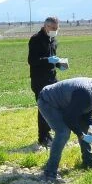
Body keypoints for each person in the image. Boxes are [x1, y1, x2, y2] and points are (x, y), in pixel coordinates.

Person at [36, 76, 92, 181]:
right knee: (63, 132)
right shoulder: (85, 93)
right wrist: (82, 135)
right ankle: (50, 172)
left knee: (86, 127)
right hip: (48, 101)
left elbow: (86, 112)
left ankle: (88, 162)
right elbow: (69, 118)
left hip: (66, 104)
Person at [28, 17, 68, 148]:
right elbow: (32, 61)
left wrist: (59, 64)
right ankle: (43, 137)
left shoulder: (53, 40)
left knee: (56, 106)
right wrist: (48, 60)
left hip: (52, 79)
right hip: (39, 80)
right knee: (43, 108)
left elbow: (53, 59)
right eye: (53, 28)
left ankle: (51, 133)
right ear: (46, 26)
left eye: (57, 29)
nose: (55, 31)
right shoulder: (35, 39)